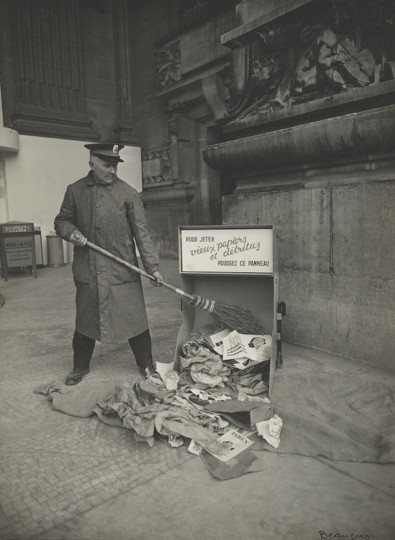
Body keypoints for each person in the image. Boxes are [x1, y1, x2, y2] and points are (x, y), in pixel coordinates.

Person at [54, 143, 163, 385]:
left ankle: (147, 365)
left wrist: (152, 267)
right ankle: (79, 367)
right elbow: (62, 220)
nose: (112, 170)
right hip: (88, 269)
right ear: (91, 161)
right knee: (86, 320)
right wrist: (70, 231)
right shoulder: (75, 191)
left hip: (121, 270)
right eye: (106, 164)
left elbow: (142, 234)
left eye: (114, 165)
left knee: (134, 319)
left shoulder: (129, 193)